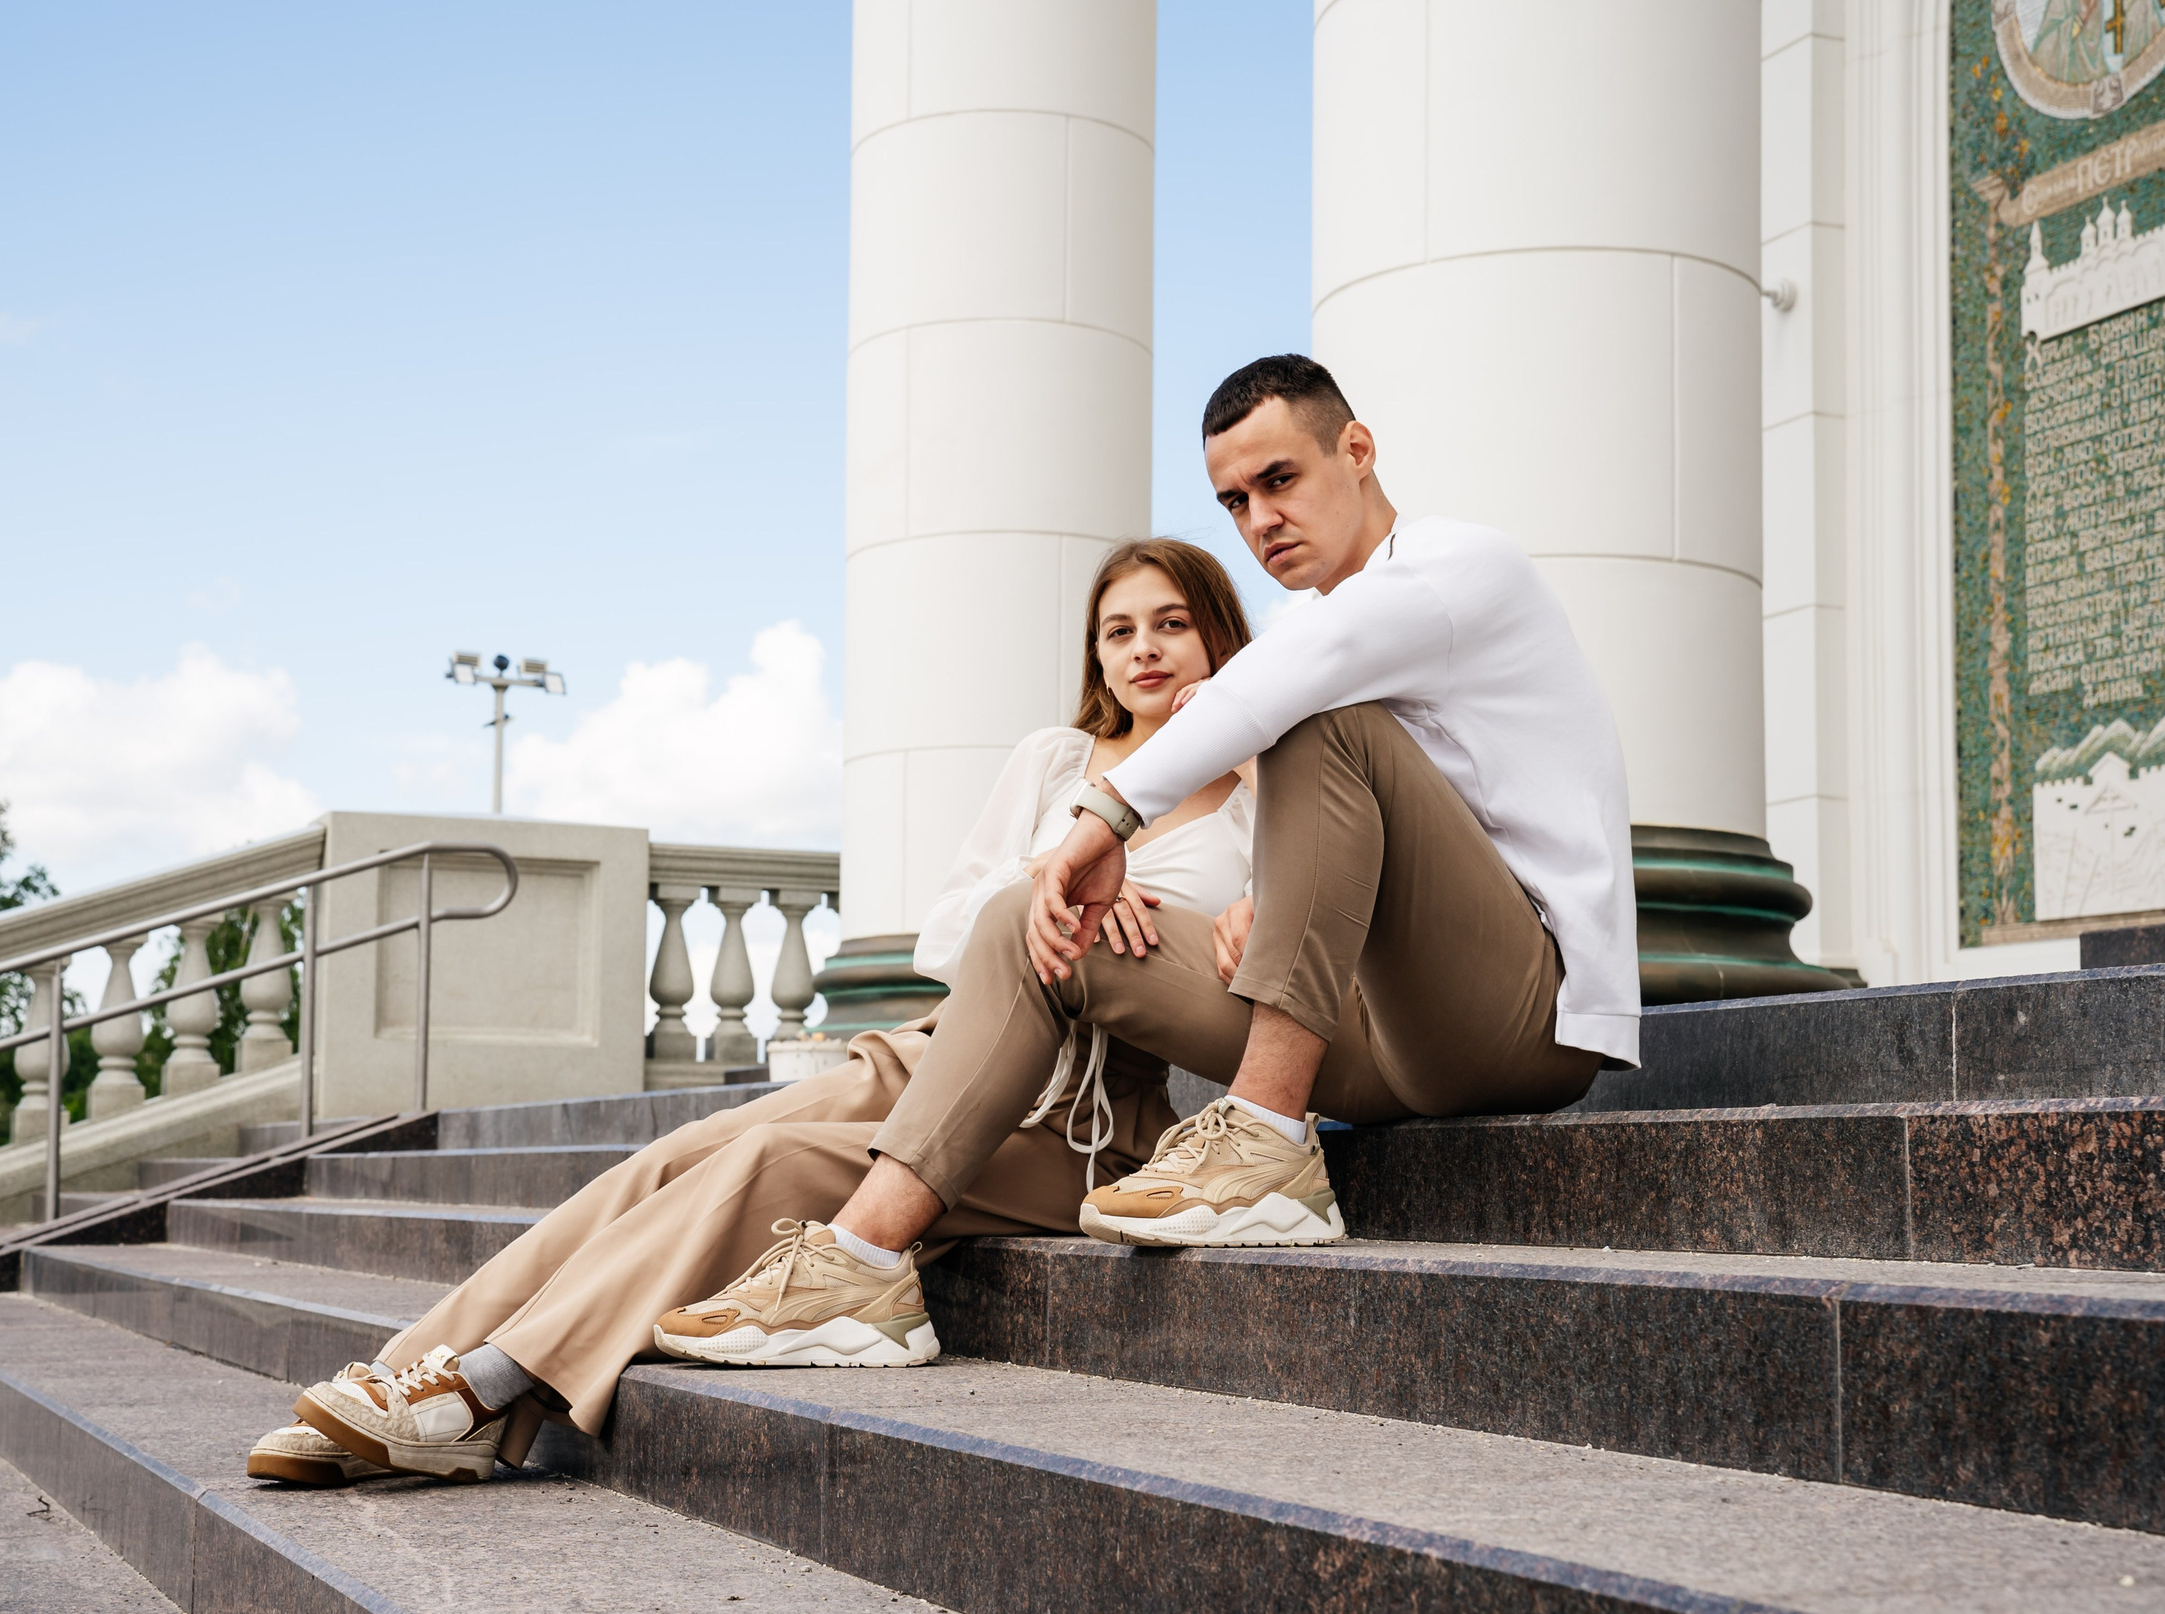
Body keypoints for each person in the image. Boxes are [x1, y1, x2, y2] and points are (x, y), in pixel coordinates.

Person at [615, 352, 1635, 1385]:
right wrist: (1262, 898)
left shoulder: (1459, 568)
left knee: (1304, 714)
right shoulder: (1316, 638)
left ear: (1356, 451)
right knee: (1039, 917)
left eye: (1279, 480)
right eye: (1233, 501)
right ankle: (862, 1262)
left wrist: (1101, 818)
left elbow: (1308, 712)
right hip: (1378, 1033)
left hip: (1521, 1014)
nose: (1259, 519)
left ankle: (1266, 1143)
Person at [251, 537, 1260, 1484]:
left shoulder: (1260, 793)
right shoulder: (1055, 761)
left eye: (1170, 624)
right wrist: (1055, 872)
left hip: (1077, 1116)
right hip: (932, 1053)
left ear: (1217, 633)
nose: (1144, 650)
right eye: (1118, 629)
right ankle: (404, 1369)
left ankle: (479, 1394)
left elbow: (1261, 972)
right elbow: (944, 933)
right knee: (674, 1152)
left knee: (764, 1167)